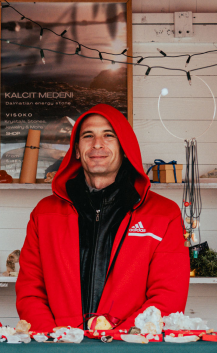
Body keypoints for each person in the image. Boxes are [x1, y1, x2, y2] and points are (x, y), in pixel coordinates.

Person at [16, 104, 189, 332]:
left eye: (108, 135)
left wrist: (118, 339)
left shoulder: (163, 214)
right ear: (77, 150)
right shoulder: (44, 214)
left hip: (130, 347)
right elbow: (30, 291)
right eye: (88, 135)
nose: (97, 144)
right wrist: (54, 339)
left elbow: (169, 295)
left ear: (124, 147)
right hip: (60, 346)